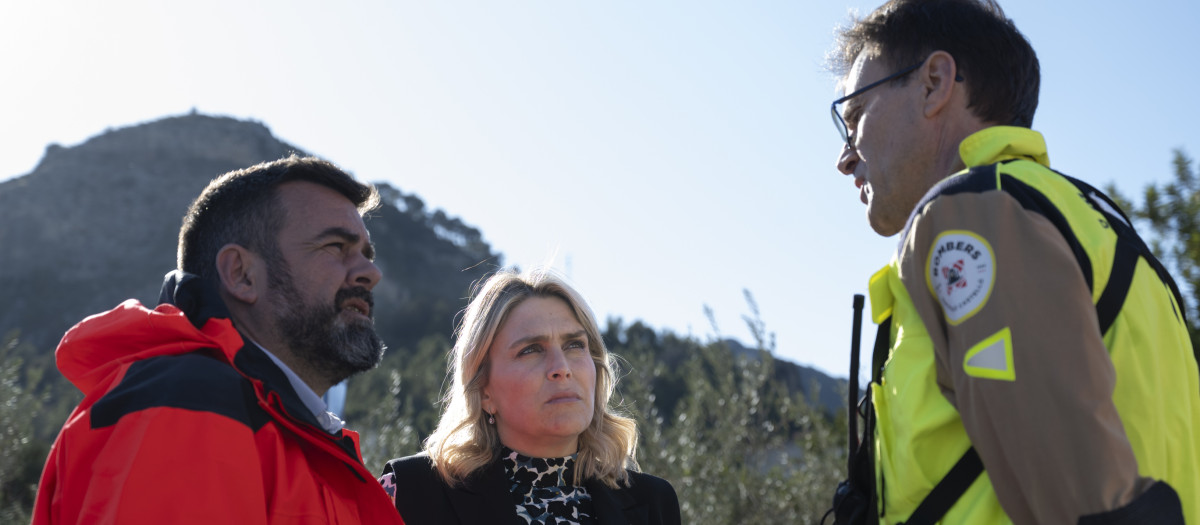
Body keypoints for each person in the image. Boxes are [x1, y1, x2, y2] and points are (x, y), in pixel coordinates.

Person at [825, 1, 1200, 523]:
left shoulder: (971, 218)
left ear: (934, 82)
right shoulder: (1108, 238)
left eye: (855, 117)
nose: (844, 158)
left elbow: (1084, 501)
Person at [32, 156, 406, 524]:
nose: (370, 273)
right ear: (241, 274)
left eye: (366, 254)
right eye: (335, 247)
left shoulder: (292, 434)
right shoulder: (189, 405)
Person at [379, 269, 681, 525]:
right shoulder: (409, 491)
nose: (561, 368)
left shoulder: (653, 503)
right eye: (531, 350)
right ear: (484, 389)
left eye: (575, 345)